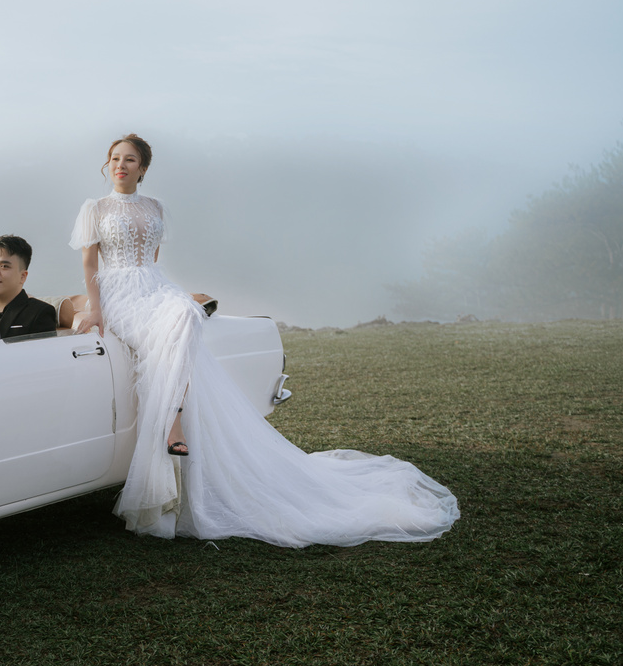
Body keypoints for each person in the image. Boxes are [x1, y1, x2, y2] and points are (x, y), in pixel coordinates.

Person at [71, 134, 460, 544]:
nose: (121, 165)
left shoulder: (155, 207)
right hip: (118, 292)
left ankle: (173, 416)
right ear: (108, 164)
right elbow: (89, 262)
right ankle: (173, 425)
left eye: (130, 160)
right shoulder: (95, 209)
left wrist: (167, 292)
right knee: (174, 326)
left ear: (143, 168)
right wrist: (94, 309)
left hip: (154, 285)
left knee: (186, 314)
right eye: (115, 158)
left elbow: (152, 262)